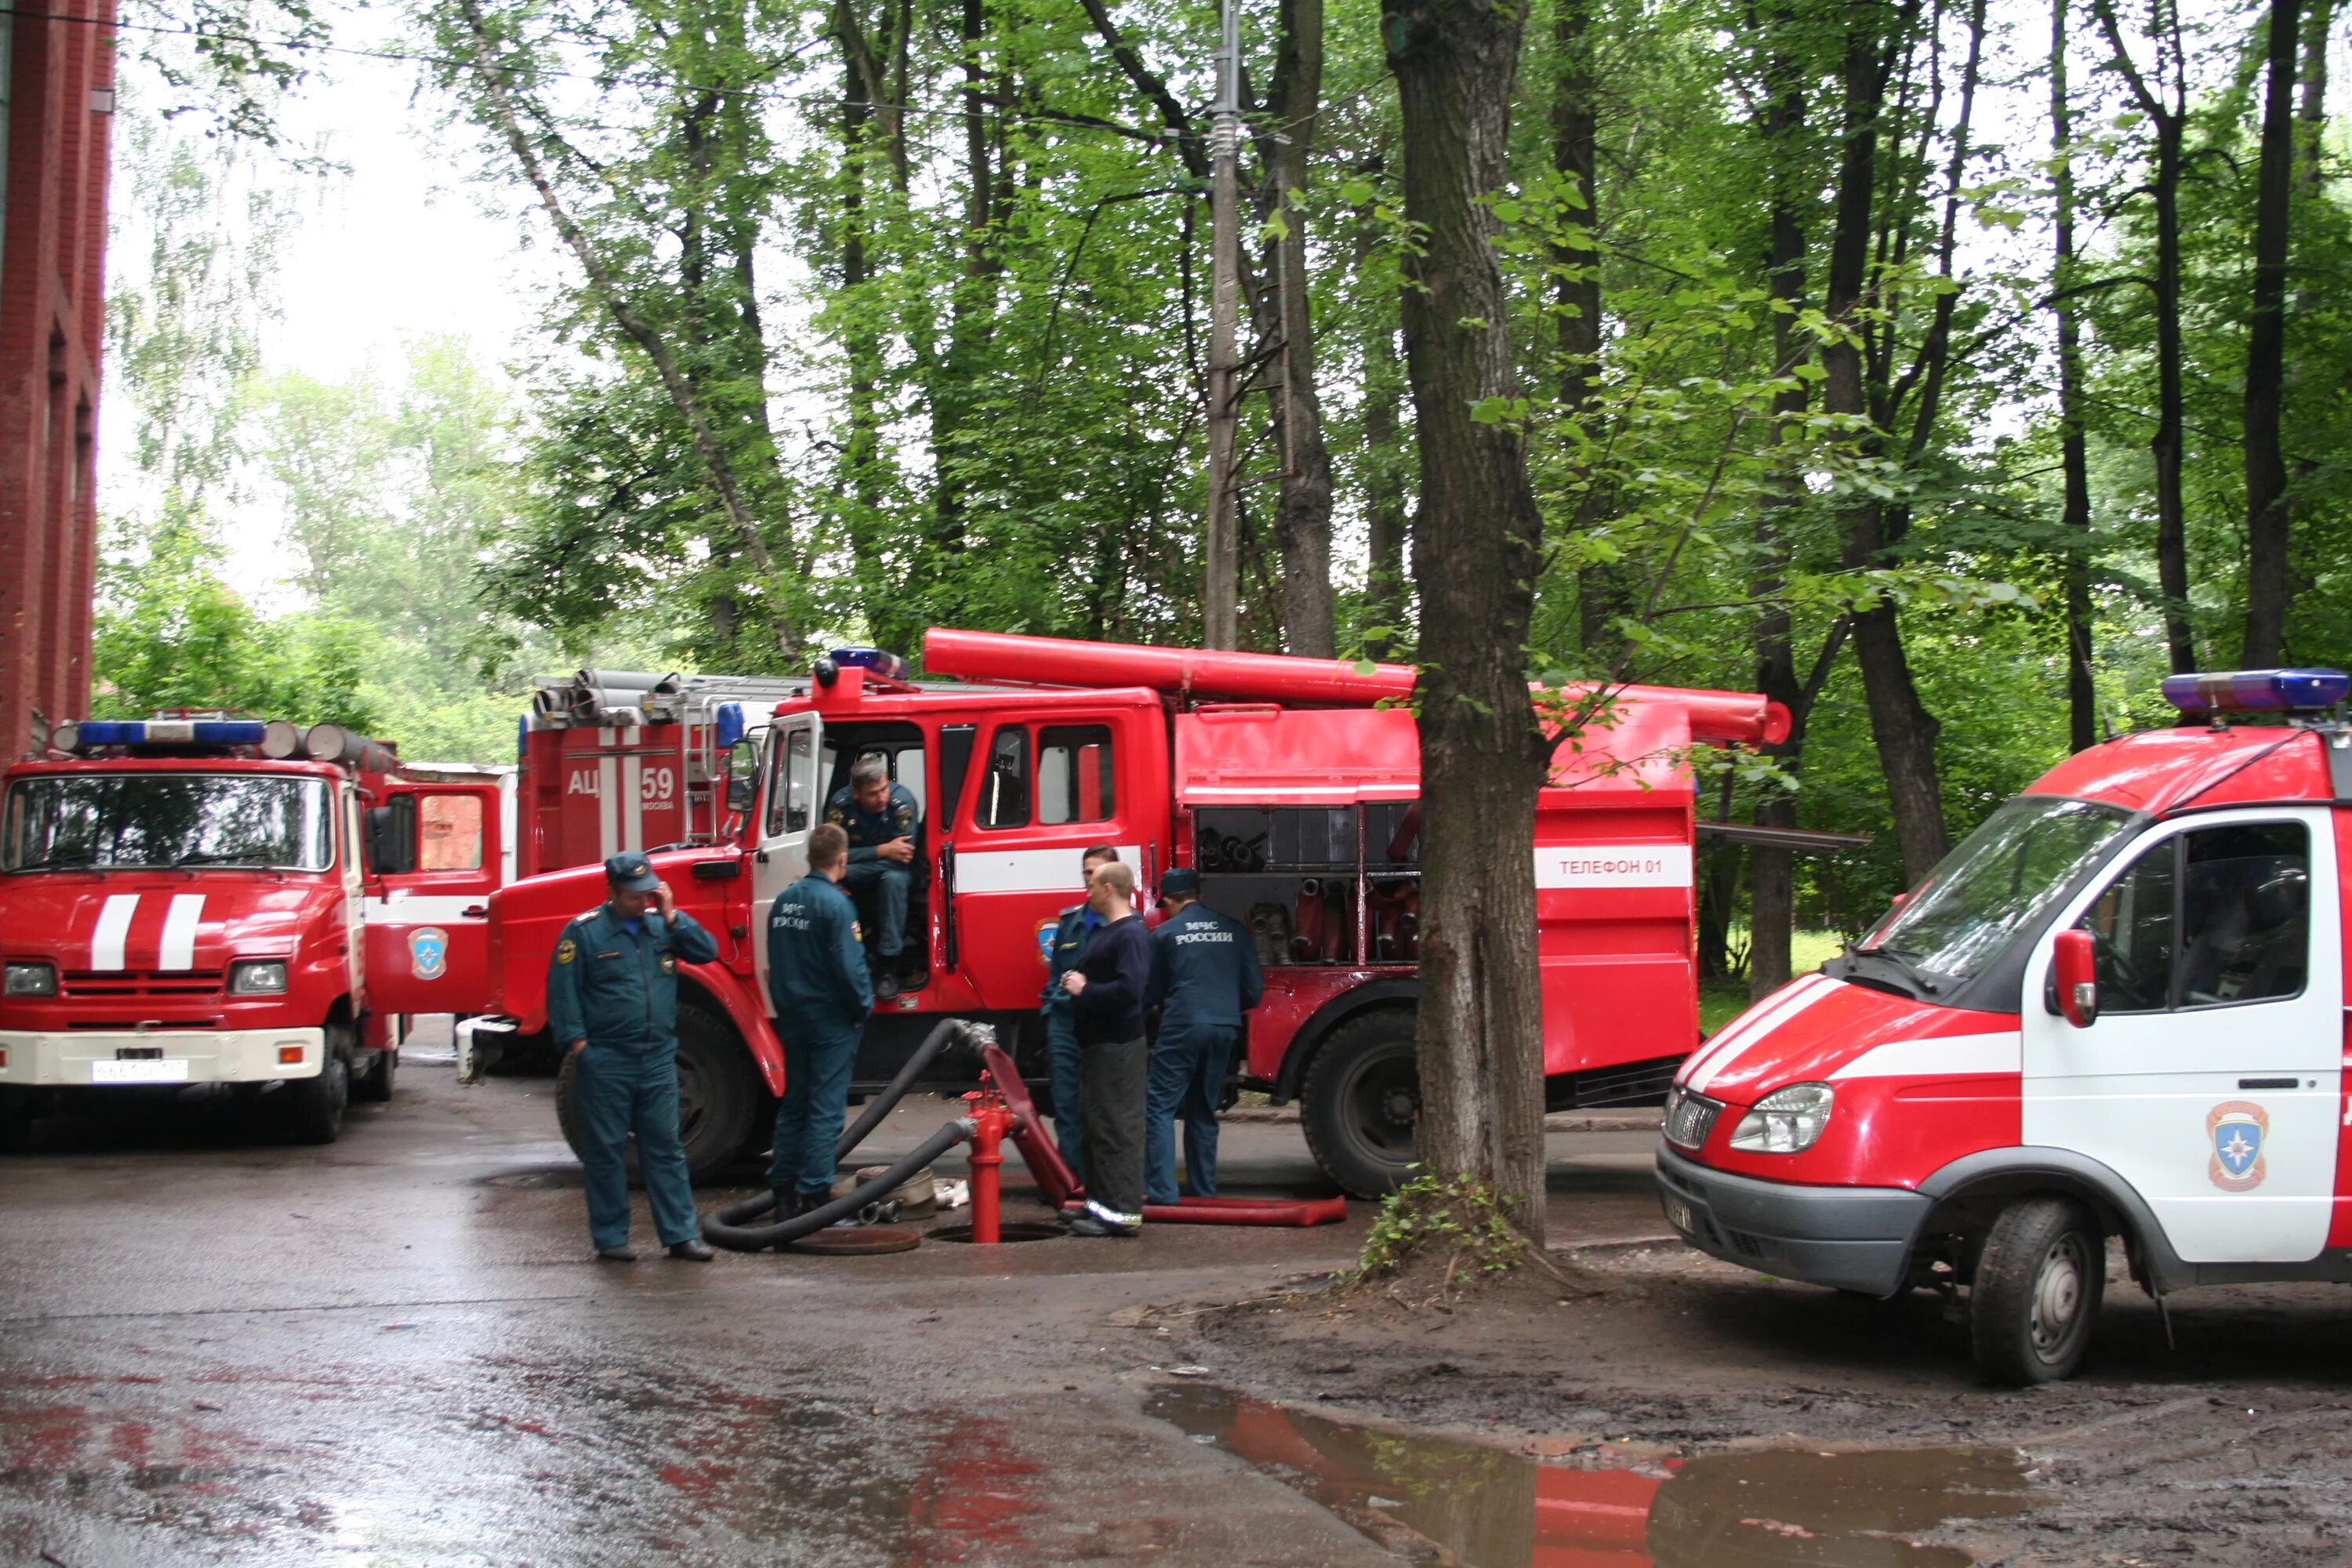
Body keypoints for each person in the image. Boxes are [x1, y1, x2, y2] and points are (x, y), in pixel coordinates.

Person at [546, 851, 720, 1263]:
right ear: (612, 892)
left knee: (666, 1148)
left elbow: (707, 950)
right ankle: (611, 1238)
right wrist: (578, 1045)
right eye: (633, 896)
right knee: (606, 1150)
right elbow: (562, 995)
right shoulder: (583, 934)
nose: (643, 902)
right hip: (607, 1058)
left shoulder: (662, 926)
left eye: (648, 894)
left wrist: (674, 914)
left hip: (658, 1058)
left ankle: (680, 1235)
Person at [764, 822, 874, 1234]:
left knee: (795, 1104)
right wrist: (862, 1007)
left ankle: (784, 1196)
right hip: (831, 1020)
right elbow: (849, 969)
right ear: (842, 859)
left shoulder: (784, 901)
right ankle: (815, 1198)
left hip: (791, 1017)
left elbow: (774, 962)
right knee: (826, 1110)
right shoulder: (837, 905)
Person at [1144, 869, 1262, 1206]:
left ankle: (1162, 1193)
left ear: (1167, 900)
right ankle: (1203, 1190)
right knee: (1203, 1109)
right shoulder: (1235, 930)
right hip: (1224, 1027)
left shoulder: (1164, 934)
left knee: (1160, 1109)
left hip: (1183, 1025)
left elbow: (1152, 992)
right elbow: (1253, 992)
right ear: (1198, 893)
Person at [1058, 860, 1154, 1237]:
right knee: (1097, 1125)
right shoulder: (1112, 933)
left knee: (1117, 1128)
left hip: (1119, 1046)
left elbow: (1131, 991)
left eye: (1093, 886)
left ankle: (1121, 1215)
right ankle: (1099, 1206)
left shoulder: (1131, 935)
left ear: (1110, 889)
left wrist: (1085, 990)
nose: (1088, 892)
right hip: (1101, 1044)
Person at [1039, 844, 1120, 1183]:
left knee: (1105, 1109)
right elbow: (1055, 975)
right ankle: (1071, 1184)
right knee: (1067, 1109)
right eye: (1086, 871)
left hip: (1103, 1025)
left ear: (1112, 879)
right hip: (1065, 1024)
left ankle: (1105, 1184)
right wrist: (1051, 1011)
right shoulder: (1070, 921)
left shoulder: (1124, 924)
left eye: (1097, 872)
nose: (1089, 879)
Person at [824, 756, 920, 999]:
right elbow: (833, 856)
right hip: (858, 873)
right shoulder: (841, 806)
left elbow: (904, 856)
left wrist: (852, 861)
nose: (882, 798)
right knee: (829, 883)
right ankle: (845, 963)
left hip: (891, 873)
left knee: (893, 880)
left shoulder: (902, 803)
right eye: (872, 793)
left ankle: (889, 967)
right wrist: (882, 850)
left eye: (884, 789)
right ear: (855, 793)